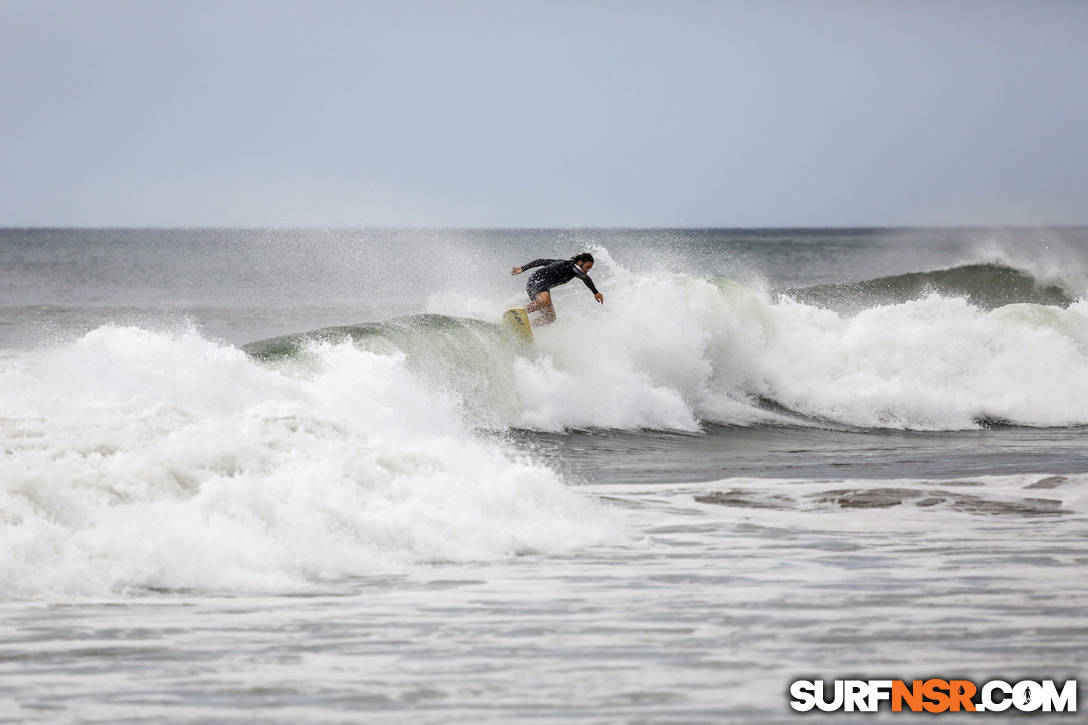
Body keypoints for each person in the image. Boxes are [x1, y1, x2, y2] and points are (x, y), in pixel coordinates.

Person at [511, 252, 603, 325]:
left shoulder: (567, 266)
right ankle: (518, 314)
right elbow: (585, 277)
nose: (587, 270)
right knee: (545, 300)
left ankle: (528, 325)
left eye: (589, 269)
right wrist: (595, 292)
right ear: (580, 262)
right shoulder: (571, 266)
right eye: (587, 267)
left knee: (550, 317)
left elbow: (541, 261)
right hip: (537, 280)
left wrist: (523, 268)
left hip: (538, 286)